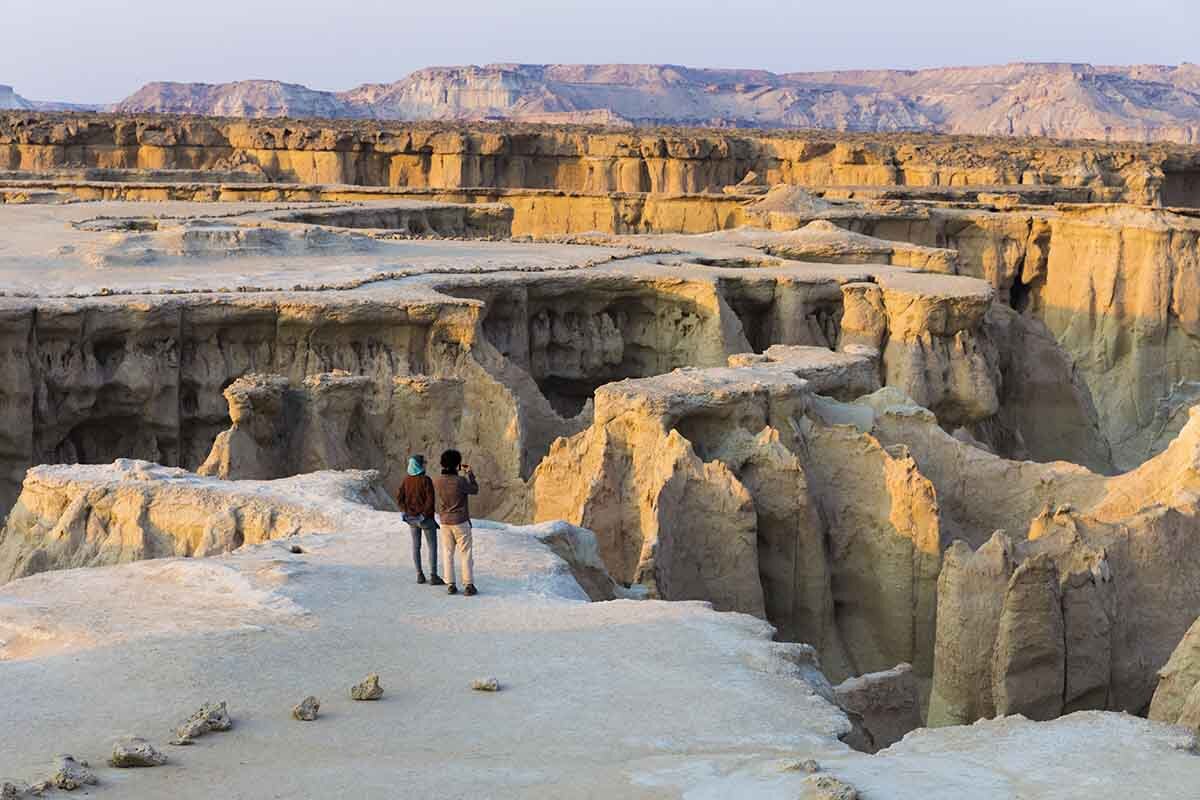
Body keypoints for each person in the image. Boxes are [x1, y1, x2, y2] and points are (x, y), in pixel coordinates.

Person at [432, 449, 479, 596]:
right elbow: (474, 490)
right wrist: (470, 474)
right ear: (457, 464)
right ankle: (468, 584)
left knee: (448, 552)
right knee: (465, 552)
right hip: (460, 521)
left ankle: (450, 584)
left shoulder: (437, 481)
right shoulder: (461, 481)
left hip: (444, 521)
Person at [397, 454, 444, 586]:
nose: (425, 465)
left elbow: (399, 497)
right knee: (432, 547)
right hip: (425, 519)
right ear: (419, 465)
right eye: (423, 463)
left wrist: (406, 510)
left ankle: (419, 575)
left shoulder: (406, 480)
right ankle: (433, 576)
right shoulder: (426, 480)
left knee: (416, 546)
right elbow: (430, 500)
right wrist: (424, 514)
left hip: (412, 519)